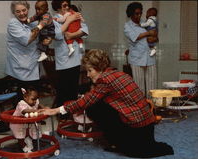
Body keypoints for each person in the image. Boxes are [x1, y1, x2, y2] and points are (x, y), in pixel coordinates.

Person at [39, 49, 174, 158]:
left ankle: (118, 143)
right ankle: (118, 141)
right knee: (98, 104)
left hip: (138, 128)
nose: (87, 74)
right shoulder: (117, 73)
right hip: (147, 126)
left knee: (93, 107)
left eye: (90, 70)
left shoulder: (105, 80)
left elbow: (86, 101)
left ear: (99, 68)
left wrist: (56, 110)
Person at [5, 1, 52, 101]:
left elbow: (49, 27)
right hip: (21, 71)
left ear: (28, 10)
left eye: (24, 10)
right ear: (13, 12)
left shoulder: (31, 22)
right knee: (23, 103)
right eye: (18, 11)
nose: (22, 13)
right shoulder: (13, 24)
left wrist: (48, 38)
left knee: (33, 100)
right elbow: (28, 39)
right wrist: (41, 26)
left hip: (33, 67)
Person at [51, 0, 89, 120]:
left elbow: (85, 30)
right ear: (57, 8)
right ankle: (62, 117)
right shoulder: (54, 19)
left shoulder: (74, 14)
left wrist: (72, 35)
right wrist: (69, 20)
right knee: (63, 90)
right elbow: (58, 34)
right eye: (64, 6)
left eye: (68, 5)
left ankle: (72, 116)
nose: (67, 8)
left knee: (73, 89)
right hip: (64, 60)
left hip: (76, 58)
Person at [124, 2, 158, 98]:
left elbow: (155, 34)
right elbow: (135, 37)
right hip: (137, 60)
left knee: (152, 88)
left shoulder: (145, 23)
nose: (139, 16)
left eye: (140, 13)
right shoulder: (127, 26)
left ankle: (152, 109)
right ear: (131, 14)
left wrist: (155, 37)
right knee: (139, 88)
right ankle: (141, 110)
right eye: (136, 13)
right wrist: (148, 33)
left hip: (150, 58)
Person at [10, 86, 49, 152]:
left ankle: (33, 140)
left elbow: (39, 105)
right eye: (33, 99)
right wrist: (35, 111)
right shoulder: (21, 104)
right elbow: (24, 111)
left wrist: (44, 108)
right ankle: (23, 147)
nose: (35, 101)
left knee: (35, 128)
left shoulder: (35, 101)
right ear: (25, 97)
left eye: (36, 99)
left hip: (27, 122)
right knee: (20, 136)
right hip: (17, 123)